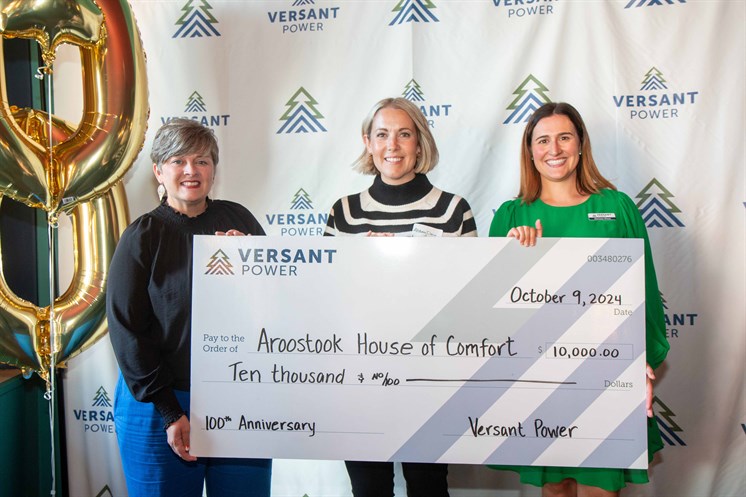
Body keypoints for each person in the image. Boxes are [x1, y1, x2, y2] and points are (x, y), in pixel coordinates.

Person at [488, 102, 669, 496]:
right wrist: (509, 259)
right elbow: (490, 311)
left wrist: (643, 362)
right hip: (539, 380)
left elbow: (644, 291)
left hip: (605, 374)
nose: (554, 149)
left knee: (599, 490)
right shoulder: (510, 216)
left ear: (581, 145)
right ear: (530, 151)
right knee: (554, 490)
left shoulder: (616, 207)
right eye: (543, 140)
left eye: (564, 137)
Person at [106, 119, 271, 497]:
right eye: (178, 160)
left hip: (238, 396)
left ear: (214, 169)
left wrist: (252, 266)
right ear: (158, 171)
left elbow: (272, 309)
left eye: (202, 160)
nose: (191, 171)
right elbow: (127, 329)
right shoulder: (142, 236)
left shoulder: (240, 221)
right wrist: (169, 410)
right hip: (159, 403)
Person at [325, 97, 477, 496]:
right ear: (368, 142)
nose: (393, 145)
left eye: (404, 134)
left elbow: (470, 299)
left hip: (429, 376)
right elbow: (328, 298)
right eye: (382, 134)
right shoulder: (344, 213)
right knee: (368, 488)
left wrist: (409, 263)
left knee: (428, 486)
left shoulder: (452, 210)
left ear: (420, 143)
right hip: (359, 377)